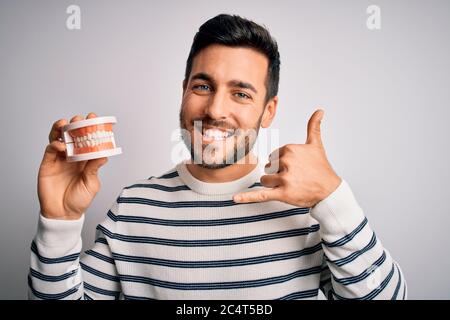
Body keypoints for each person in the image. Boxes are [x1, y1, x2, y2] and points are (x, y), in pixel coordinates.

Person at [29, 14, 406, 300]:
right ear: (183, 91)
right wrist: (59, 224)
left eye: (241, 93)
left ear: (269, 110)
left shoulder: (308, 208)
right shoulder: (131, 209)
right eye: (203, 86)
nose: (214, 109)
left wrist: (333, 198)